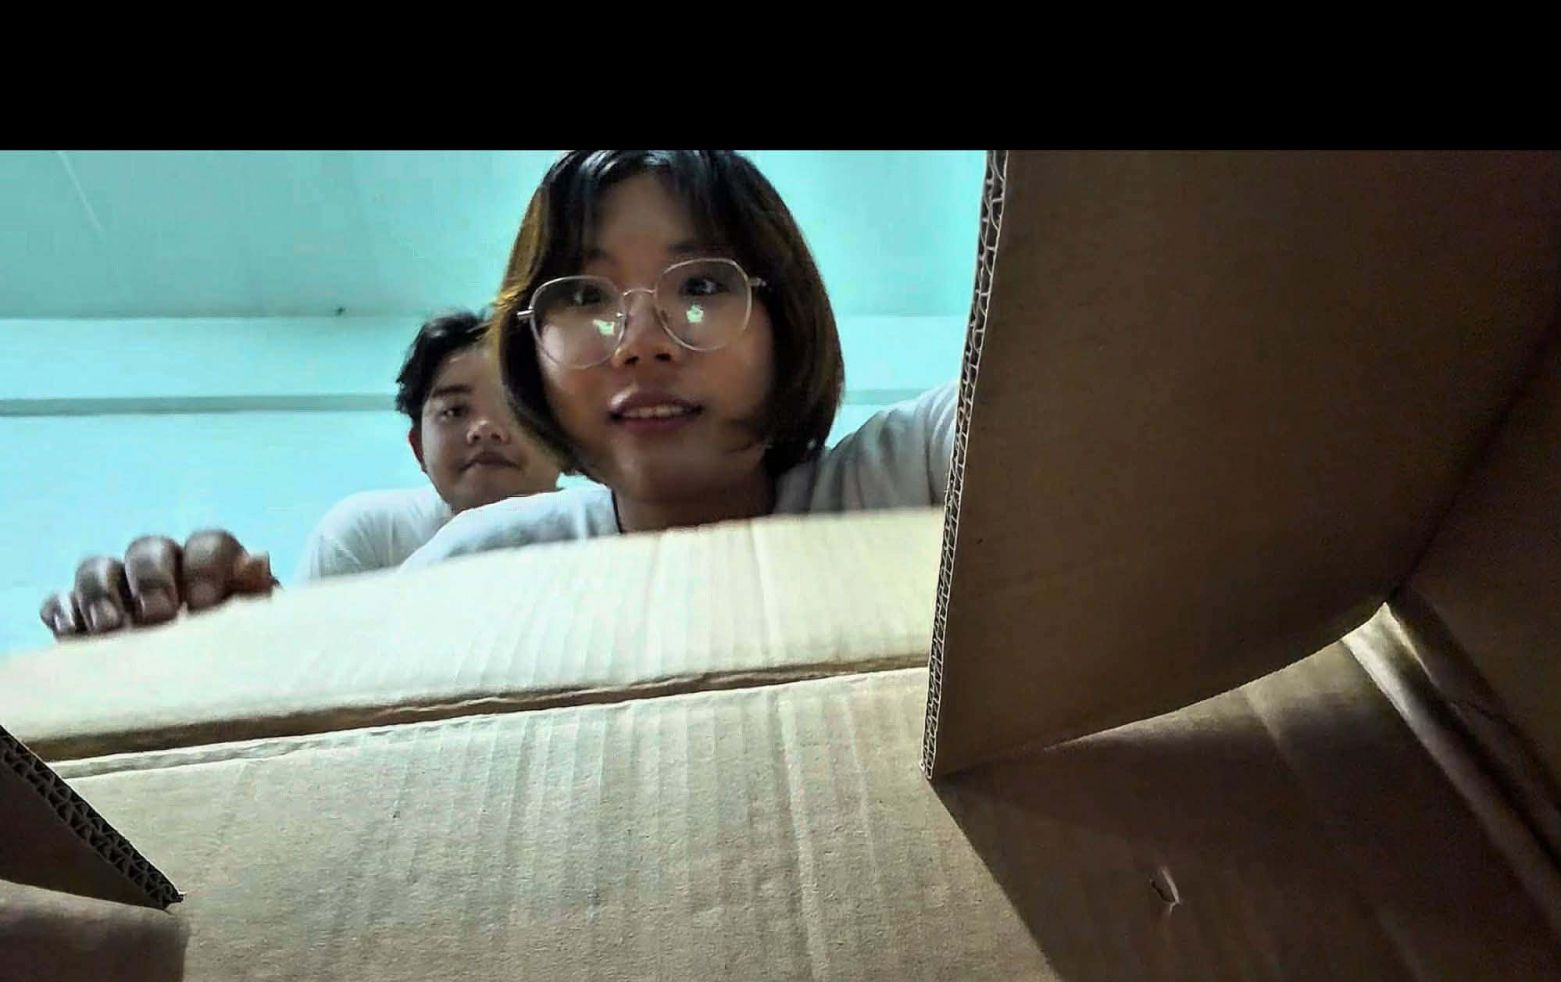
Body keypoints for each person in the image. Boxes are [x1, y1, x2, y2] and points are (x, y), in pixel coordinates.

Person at [402, 150, 957, 571]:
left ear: (783, 320)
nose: (641, 344)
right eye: (586, 296)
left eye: (700, 286)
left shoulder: (913, 478)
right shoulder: (475, 568)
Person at [40, 310, 559, 637]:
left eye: (515, 407)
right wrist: (222, 635)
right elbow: (314, 671)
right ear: (418, 449)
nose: (484, 429)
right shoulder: (368, 531)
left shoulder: (606, 533)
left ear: (565, 441)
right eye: (454, 411)